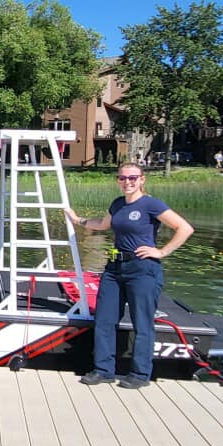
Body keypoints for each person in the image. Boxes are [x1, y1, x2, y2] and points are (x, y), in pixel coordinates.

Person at [64, 162, 194, 389]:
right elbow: (103, 225)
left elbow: (184, 228)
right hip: (115, 268)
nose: (128, 182)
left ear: (142, 179)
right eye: (123, 178)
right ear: (118, 181)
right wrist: (78, 220)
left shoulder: (151, 204)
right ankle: (103, 370)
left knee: (142, 323)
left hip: (142, 270)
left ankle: (140, 374)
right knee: (105, 320)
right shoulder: (117, 204)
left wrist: (162, 251)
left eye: (132, 178)